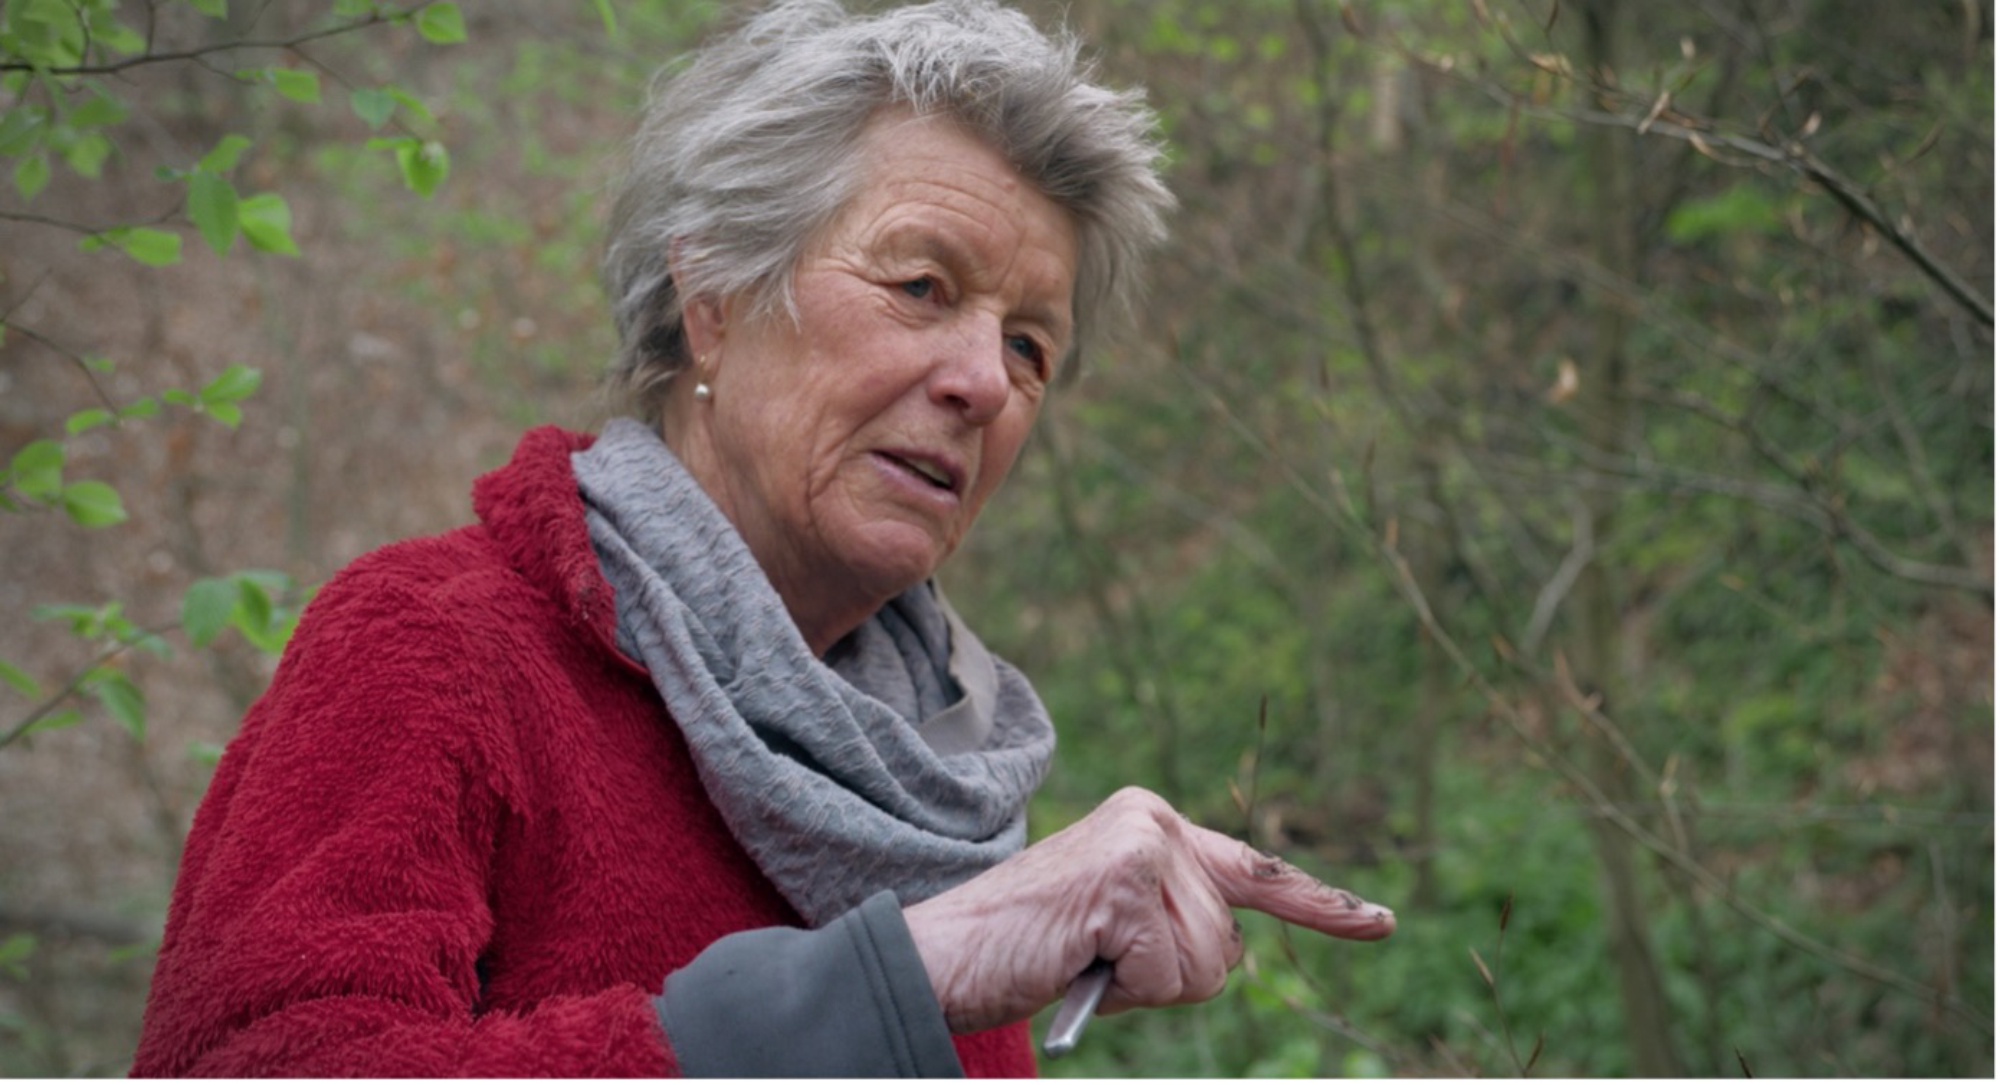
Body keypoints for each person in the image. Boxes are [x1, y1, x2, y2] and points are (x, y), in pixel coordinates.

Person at [132, 0, 1394, 1076]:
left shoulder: (936, 789)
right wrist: (891, 978)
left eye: (1028, 345)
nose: (983, 382)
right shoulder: (434, 646)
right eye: (922, 286)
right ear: (715, 299)